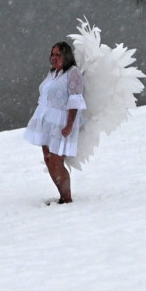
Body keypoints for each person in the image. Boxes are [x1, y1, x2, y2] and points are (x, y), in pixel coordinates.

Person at [23, 42, 87, 204]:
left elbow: (75, 100)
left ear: (66, 56)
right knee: (48, 159)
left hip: (61, 121)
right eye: (52, 54)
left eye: (58, 54)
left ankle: (67, 198)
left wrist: (69, 125)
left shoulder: (73, 73)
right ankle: (61, 196)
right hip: (47, 121)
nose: (54, 58)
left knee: (56, 162)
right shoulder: (53, 73)